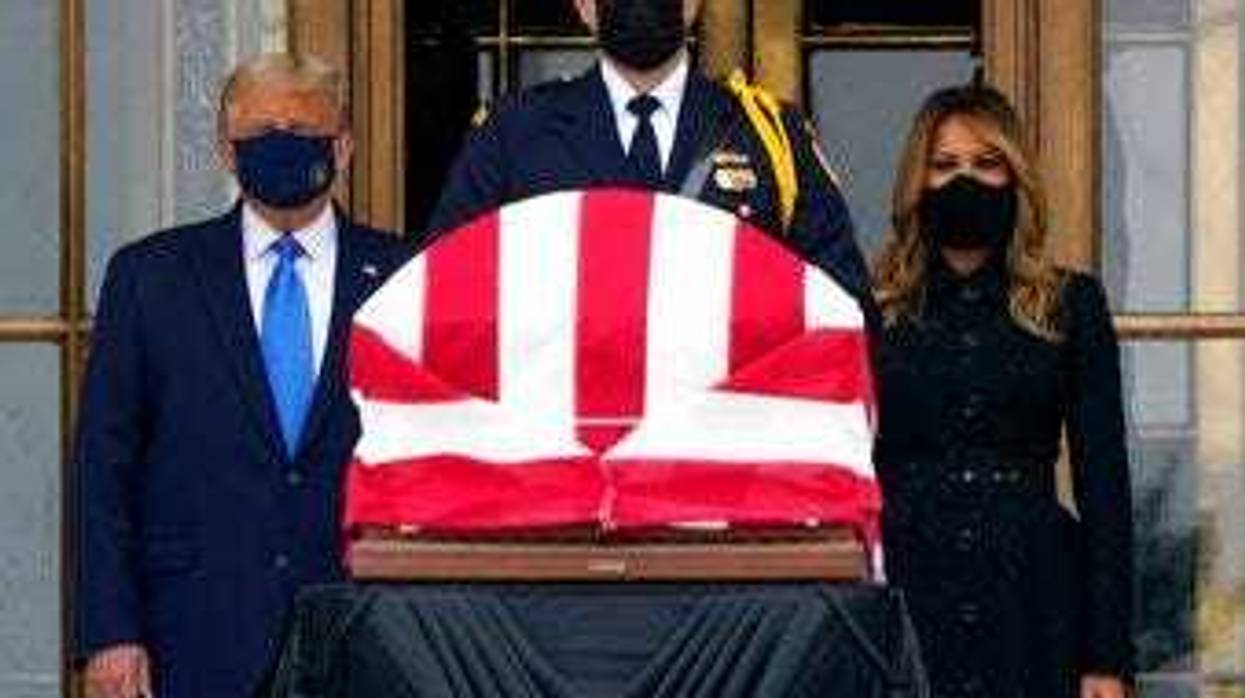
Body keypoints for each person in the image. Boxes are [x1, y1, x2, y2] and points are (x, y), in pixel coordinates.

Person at [74, 53, 411, 698]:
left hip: (368, 631)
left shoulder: (402, 276)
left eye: (302, 131)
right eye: (260, 136)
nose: (281, 146)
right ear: (227, 153)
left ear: (343, 147)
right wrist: (111, 632)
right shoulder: (152, 278)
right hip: (193, 633)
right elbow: (104, 465)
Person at [872, 84, 1134, 698]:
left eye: (987, 164)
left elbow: (1106, 489)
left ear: (1015, 178)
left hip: (1034, 598)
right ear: (918, 182)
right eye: (945, 165)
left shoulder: (1070, 304)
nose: (967, 180)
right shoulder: (874, 310)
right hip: (907, 592)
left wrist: (1108, 657)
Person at [427, 0, 872, 306]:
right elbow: (444, 292)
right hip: (565, 427)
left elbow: (840, 304)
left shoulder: (770, 133)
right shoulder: (513, 135)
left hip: (720, 431)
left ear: (693, 3)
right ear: (585, 6)